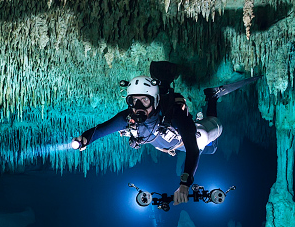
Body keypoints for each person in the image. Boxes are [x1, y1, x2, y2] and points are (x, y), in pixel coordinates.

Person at [72, 62, 257, 205]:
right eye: (133, 101)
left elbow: (192, 150)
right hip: (165, 144)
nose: (138, 107)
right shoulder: (127, 118)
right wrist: (85, 139)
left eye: (144, 101)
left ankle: (212, 97)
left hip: (185, 140)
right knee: (211, 150)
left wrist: (185, 183)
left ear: (155, 100)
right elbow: (101, 130)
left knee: (209, 139)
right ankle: (211, 99)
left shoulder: (172, 115)